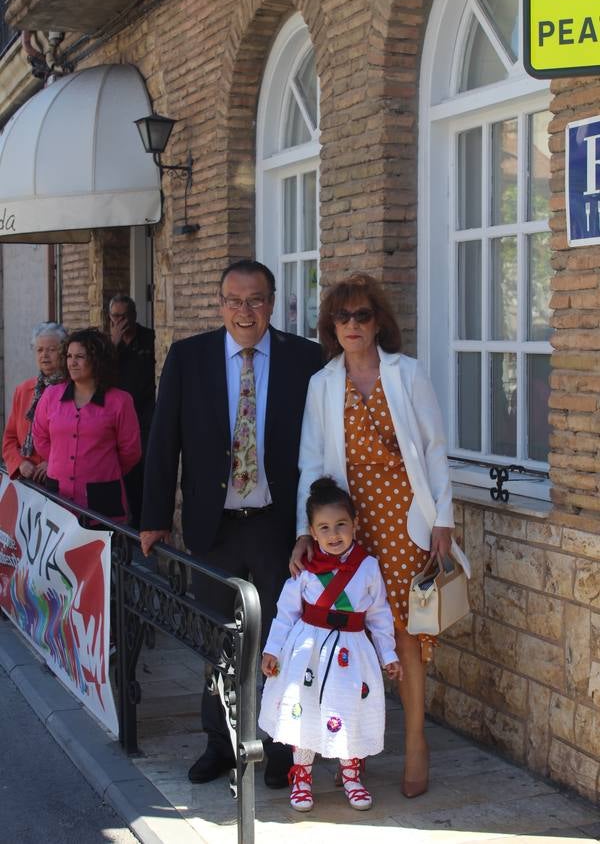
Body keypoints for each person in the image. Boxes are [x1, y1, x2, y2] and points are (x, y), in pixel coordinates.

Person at [140, 259, 323, 788]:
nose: (246, 311)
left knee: (280, 641)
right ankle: (220, 744)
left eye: (256, 299)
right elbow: (163, 441)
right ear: (220, 304)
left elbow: (319, 446)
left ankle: (280, 749)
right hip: (212, 525)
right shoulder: (188, 357)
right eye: (235, 300)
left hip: (276, 527)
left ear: (272, 302)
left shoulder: (304, 359)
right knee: (216, 638)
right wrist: (153, 518)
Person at [291, 274, 454, 799]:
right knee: (343, 632)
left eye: (363, 315)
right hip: (345, 525)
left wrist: (443, 519)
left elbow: (433, 449)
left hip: (405, 519)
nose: (353, 325)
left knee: (404, 634)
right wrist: (305, 531)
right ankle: (345, 745)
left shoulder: (407, 374)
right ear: (331, 327)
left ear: (379, 320)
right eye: (343, 318)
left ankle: (414, 744)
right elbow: (311, 463)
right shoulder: (322, 383)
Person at [259, 477, 402, 813]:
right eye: (323, 527)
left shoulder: (367, 567)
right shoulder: (304, 567)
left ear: (355, 525)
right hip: (307, 651)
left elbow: (379, 614)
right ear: (311, 530)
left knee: (348, 709)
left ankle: (351, 774)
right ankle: (302, 777)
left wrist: (388, 653)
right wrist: (273, 649)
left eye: (341, 525)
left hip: (353, 653)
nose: (333, 534)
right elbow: (285, 614)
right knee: (304, 709)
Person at [33, 327, 142, 523]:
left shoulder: (120, 401)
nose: (72, 362)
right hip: (58, 498)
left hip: (102, 501)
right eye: (69, 356)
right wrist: (60, 461)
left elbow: (131, 451)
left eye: (80, 357)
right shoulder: (51, 395)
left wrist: (100, 467)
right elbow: (40, 437)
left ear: (96, 360)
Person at [109, 294, 155, 528]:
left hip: (146, 416)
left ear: (134, 316)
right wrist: (114, 343)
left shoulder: (149, 338)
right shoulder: (107, 347)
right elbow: (100, 374)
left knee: (145, 469)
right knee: (125, 472)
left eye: (124, 316)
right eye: (115, 317)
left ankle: (143, 523)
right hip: (120, 420)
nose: (120, 322)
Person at [2, 322, 68, 482]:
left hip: (60, 479)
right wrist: (20, 463)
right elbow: (9, 439)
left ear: (63, 352)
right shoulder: (24, 390)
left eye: (51, 349)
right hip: (27, 483)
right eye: (39, 350)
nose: (44, 355)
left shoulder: (73, 390)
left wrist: (52, 463)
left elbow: (77, 440)